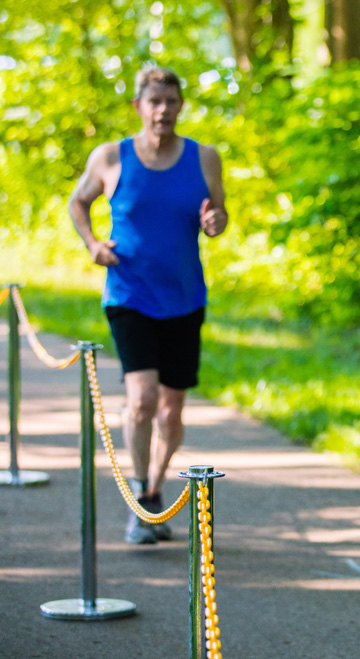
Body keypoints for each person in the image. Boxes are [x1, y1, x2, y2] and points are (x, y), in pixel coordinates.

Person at [67, 66, 228, 545]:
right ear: (139, 106)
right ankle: (138, 495)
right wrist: (92, 243)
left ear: (181, 106)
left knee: (172, 410)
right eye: (154, 101)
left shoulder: (204, 157)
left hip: (184, 296)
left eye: (171, 102)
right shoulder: (111, 157)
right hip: (129, 293)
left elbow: (217, 216)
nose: (163, 110)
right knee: (141, 400)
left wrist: (216, 222)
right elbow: (78, 203)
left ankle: (156, 490)